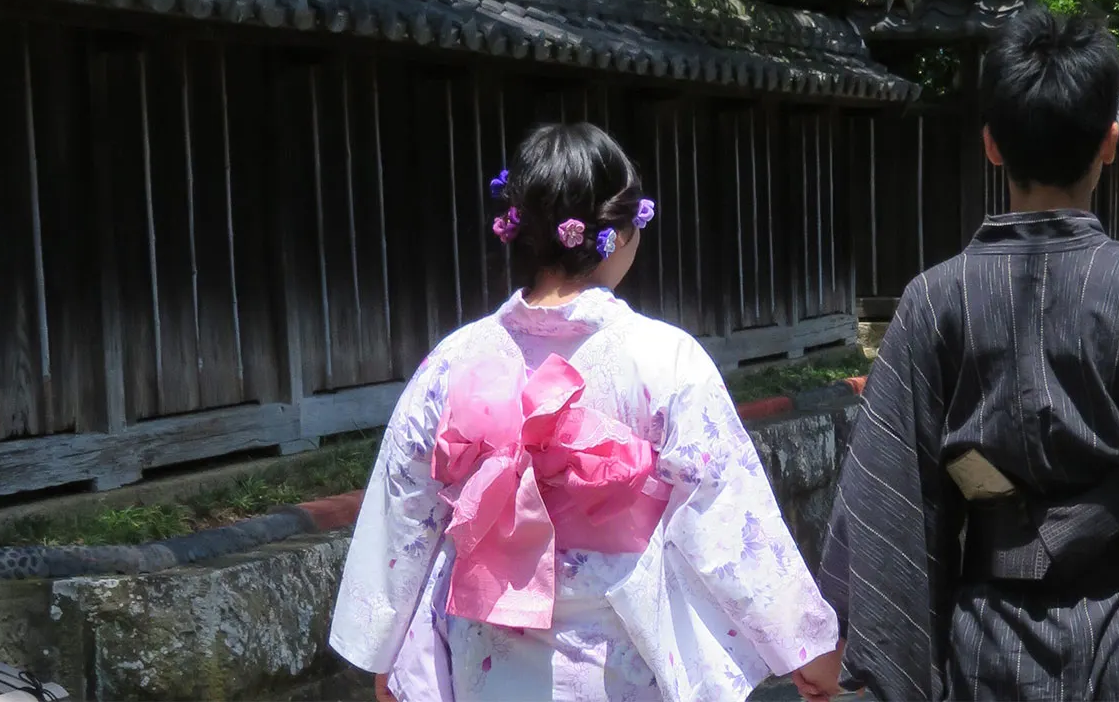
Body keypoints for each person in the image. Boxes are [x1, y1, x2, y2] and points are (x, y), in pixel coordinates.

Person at [802, 10, 1119, 702]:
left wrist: (843, 650)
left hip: (983, 645)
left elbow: (890, 503)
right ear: (1111, 142)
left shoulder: (933, 304)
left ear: (991, 145)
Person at [330, 122, 840, 702]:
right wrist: (808, 645)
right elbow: (725, 515)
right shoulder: (664, 359)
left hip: (486, 645)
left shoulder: (452, 362)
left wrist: (385, 653)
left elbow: (404, 515)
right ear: (616, 235)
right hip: (618, 651)